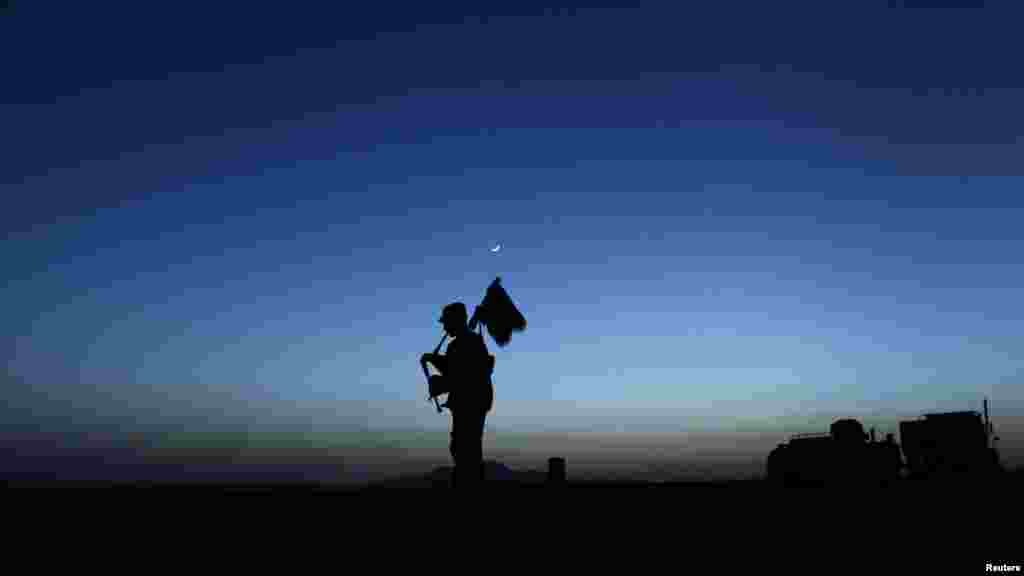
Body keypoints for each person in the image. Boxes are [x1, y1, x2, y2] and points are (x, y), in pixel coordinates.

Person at [421, 302, 494, 487]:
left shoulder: (466, 343)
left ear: (455, 321)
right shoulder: (463, 343)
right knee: (464, 447)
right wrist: (434, 359)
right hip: (471, 402)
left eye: (446, 322)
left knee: (465, 449)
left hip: (471, 403)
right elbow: (454, 369)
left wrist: (439, 383)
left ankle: (468, 485)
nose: (444, 327)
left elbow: (463, 376)